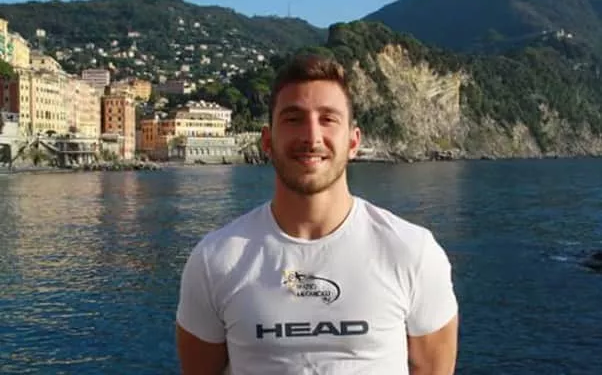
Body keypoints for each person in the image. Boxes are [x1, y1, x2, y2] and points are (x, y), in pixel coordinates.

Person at [176, 53, 459, 374]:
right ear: (267, 141)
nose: (311, 138)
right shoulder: (216, 260)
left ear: (353, 141)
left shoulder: (411, 252)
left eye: (328, 119)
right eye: (293, 119)